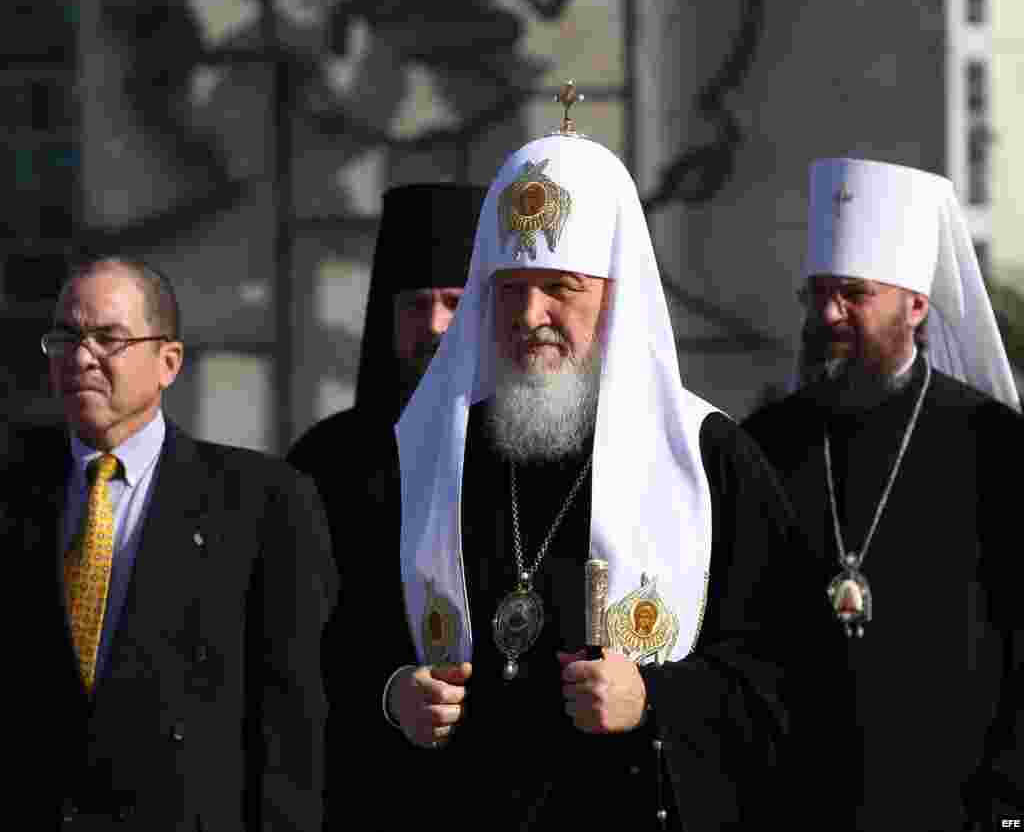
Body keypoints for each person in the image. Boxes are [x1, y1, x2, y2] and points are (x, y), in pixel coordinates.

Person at [339, 100, 804, 831]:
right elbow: (346, 637)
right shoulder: (426, 452)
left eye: (561, 288)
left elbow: (788, 676)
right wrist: (395, 692)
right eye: (511, 290)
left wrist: (654, 701)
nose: (529, 317)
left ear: (616, 298)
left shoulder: (710, 461)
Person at [0, 254, 335, 831]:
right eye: (65, 338)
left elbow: (293, 721)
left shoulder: (263, 502)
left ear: (169, 362)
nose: (81, 358)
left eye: (109, 338)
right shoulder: (15, 495)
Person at [744, 157, 1024, 832]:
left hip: (955, 807)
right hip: (797, 805)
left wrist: (1010, 800)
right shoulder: (765, 444)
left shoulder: (995, 444)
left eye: (853, 294)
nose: (828, 314)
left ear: (916, 305)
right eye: (817, 293)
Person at [288, 181, 486, 502]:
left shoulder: (528, 456)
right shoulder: (322, 460)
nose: (434, 325)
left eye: (454, 303)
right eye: (416, 305)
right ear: (389, 317)